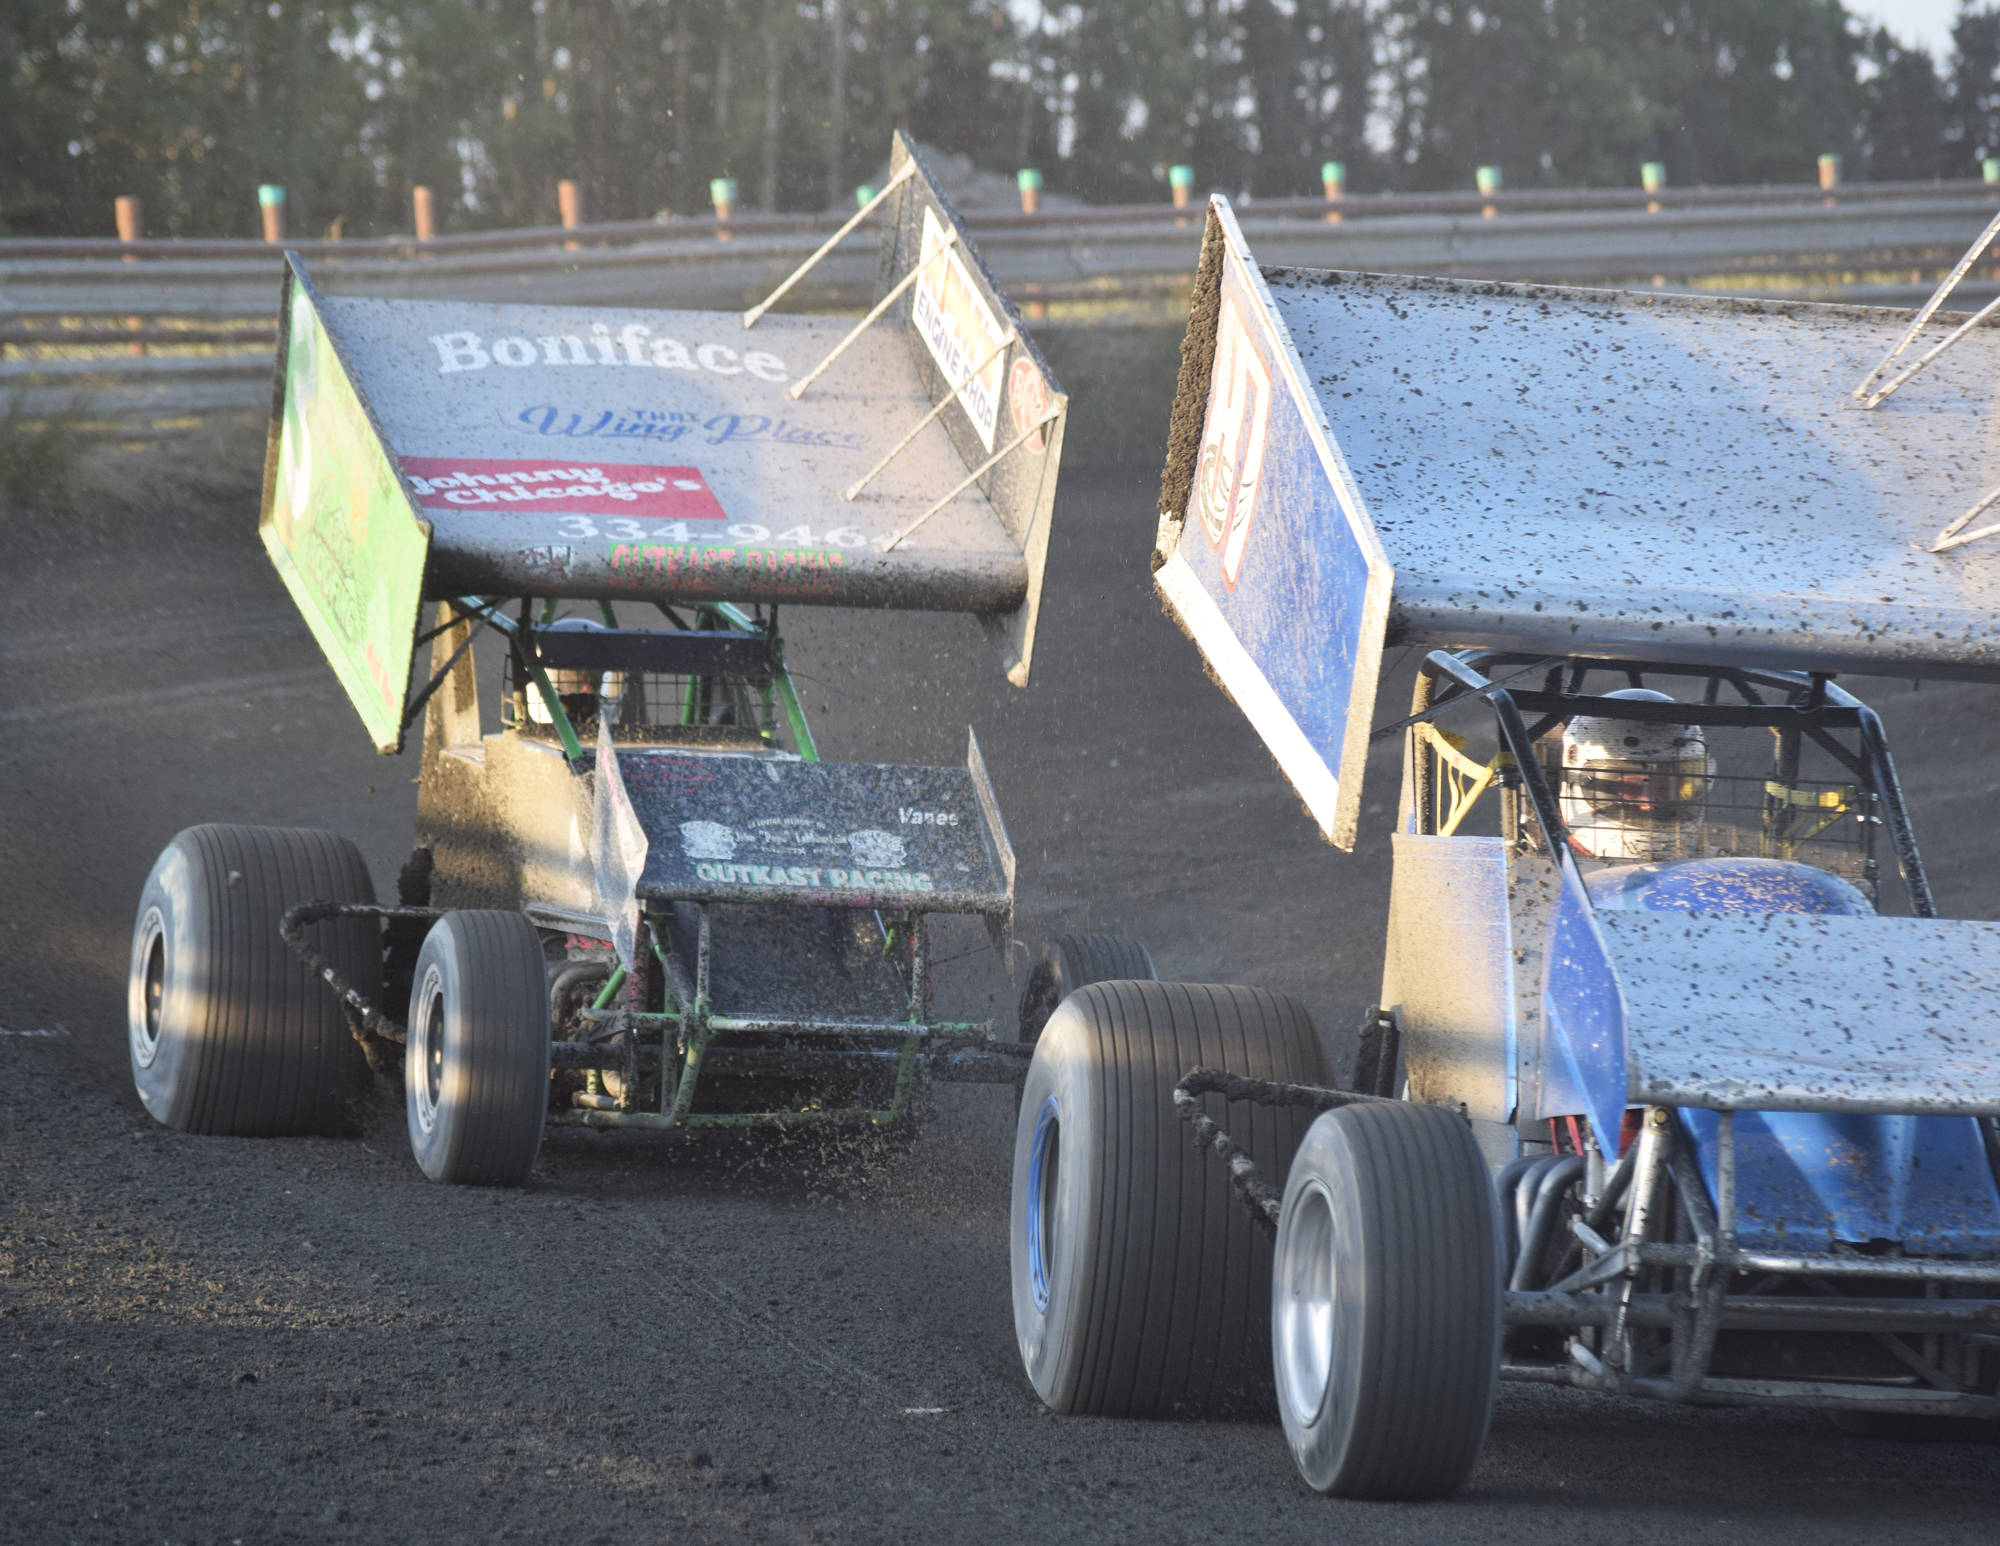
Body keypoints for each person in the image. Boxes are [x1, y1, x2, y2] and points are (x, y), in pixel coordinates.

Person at [1558, 688, 1711, 863]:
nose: (1649, 803)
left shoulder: (1717, 866)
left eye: (1663, 787)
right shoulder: (1536, 859)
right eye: (1630, 786)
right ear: (1575, 781)